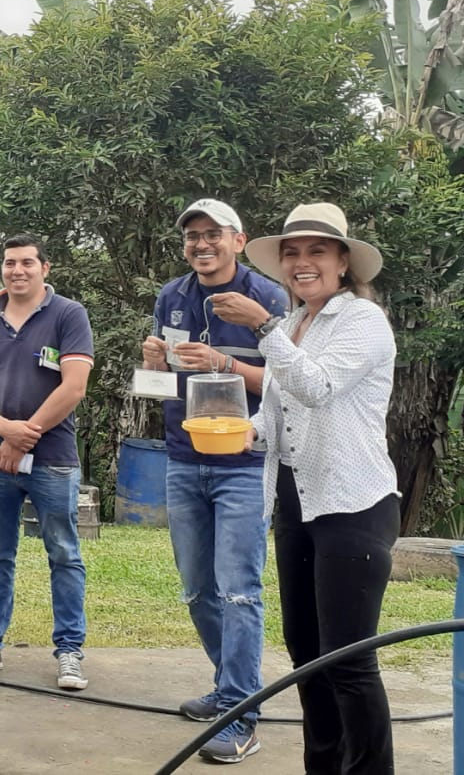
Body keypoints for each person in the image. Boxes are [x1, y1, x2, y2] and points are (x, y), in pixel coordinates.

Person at [212, 202, 398, 774]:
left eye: (317, 251)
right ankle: (323, 766)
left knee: (349, 659)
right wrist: (249, 430)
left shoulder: (363, 321)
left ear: (344, 262)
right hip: (295, 498)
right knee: (307, 653)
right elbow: (283, 408)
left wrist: (262, 327)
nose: (302, 262)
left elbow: (316, 387)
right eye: (291, 253)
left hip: (353, 502)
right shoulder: (296, 323)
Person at [140, 198, 286, 763]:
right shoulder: (171, 297)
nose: (201, 244)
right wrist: (155, 364)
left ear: (238, 240)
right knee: (198, 588)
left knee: (239, 589)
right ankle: (229, 688)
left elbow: (287, 384)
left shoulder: (267, 298)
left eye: (212, 234)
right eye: (192, 236)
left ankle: (241, 715)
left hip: (245, 463)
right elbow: (161, 385)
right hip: (184, 458)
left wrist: (223, 363)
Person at [0, 234, 94, 691]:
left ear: (44, 269)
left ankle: (69, 652)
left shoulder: (69, 314)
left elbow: (74, 387)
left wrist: (23, 436)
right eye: (10, 263)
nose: (18, 270)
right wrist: (4, 430)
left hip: (53, 459)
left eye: (27, 262)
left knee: (64, 554)